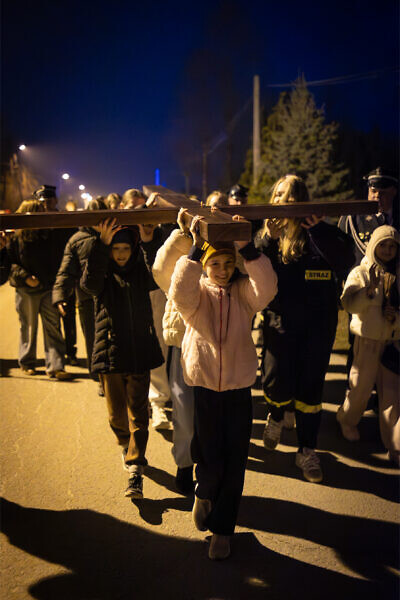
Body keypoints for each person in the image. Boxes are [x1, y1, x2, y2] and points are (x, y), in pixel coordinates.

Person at [169, 208, 277, 560]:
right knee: (210, 457)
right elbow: (179, 290)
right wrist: (196, 249)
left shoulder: (244, 293)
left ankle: (222, 531)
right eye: (215, 264)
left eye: (228, 264)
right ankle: (204, 492)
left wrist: (247, 248)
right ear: (205, 265)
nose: (222, 270)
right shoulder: (196, 294)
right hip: (204, 388)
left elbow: (267, 289)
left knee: (235, 462)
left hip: (238, 389)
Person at [256, 175, 354, 483]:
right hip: (280, 325)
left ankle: (306, 450)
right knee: (275, 381)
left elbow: (345, 260)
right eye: (277, 194)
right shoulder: (268, 237)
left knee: (310, 390)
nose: (281, 201)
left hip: (316, 328)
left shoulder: (321, 232)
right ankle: (275, 415)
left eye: (289, 195)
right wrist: (268, 238)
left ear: (302, 201)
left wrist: (317, 230)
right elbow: (253, 266)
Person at [80, 218, 164, 498]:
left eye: (125, 248)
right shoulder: (102, 273)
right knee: (117, 416)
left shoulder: (140, 271)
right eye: (115, 248)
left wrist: (149, 242)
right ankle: (126, 445)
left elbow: (157, 274)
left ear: (132, 248)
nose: (120, 253)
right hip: (110, 352)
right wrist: (100, 246)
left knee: (138, 414)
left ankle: (135, 467)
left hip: (138, 351)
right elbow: (88, 285)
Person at [337, 226, 400, 465]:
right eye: (383, 245)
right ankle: (347, 419)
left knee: (392, 396)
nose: (387, 250)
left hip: (392, 343)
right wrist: (370, 292)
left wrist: (396, 317)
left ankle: (395, 444)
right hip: (367, 341)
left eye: (392, 246)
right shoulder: (361, 272)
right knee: (360, 388)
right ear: (373, 245)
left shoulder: (398, 275)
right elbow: (349, 304)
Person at [7, 198, 72, 379]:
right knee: (28, 328)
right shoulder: (16, 238)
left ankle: (56, 366)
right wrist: (25, 277)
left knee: (53, 327)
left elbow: (57, 259)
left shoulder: (49, 235)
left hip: (48, 288)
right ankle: (27, 362)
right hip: (26, 289)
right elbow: (9, 263)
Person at [152, 222, 195, 494]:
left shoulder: (228, 250)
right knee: (185, 411)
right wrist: (185, 235)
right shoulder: (183, 245)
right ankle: (185, 465)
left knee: (213, 417)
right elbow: (160, 271)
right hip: (184, 342)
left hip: (219, 346)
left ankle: (211, 468)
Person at [52, 197, 106, 387]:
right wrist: (60, 295)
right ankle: (100, 379)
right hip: (87, 299)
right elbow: (66, 271)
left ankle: (109, 379)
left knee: (108, 340)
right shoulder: (77, 240)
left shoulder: (115, 235)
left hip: (107, 297)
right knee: (93, 340)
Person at [338, 167, 399, 268]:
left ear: (393, 192)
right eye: (373, 191)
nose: (377, 196)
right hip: (361, 275)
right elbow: (340, 252)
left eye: (383, 192)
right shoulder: (352, 218)